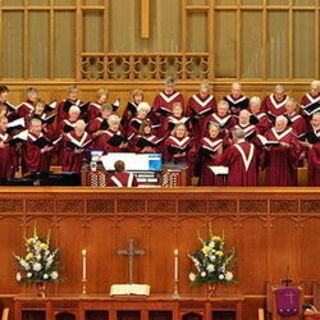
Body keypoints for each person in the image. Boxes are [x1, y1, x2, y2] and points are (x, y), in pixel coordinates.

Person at [263, 115, 302, 186]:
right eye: (276, 124)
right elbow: (264, 144)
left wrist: (288, 146)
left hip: (286, 163)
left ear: (285, 124)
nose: (277, 126)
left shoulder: (291, 133)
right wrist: (266, 149)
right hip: (273, 162)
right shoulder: (269, 132)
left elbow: (297, 149)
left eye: (279, 124)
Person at [300, 112, 320, 186]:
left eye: (316, 121)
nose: (313, 123)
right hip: (312, 163)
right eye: (313, 120)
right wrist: (304, 152)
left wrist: (310, 145)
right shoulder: (309, 134)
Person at [0, 116, 18, 183]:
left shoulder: (10, 138)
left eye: (7, 123)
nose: (6, 125)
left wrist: (14, 165)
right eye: (4, 123)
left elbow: (13, 153)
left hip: (8, 169)